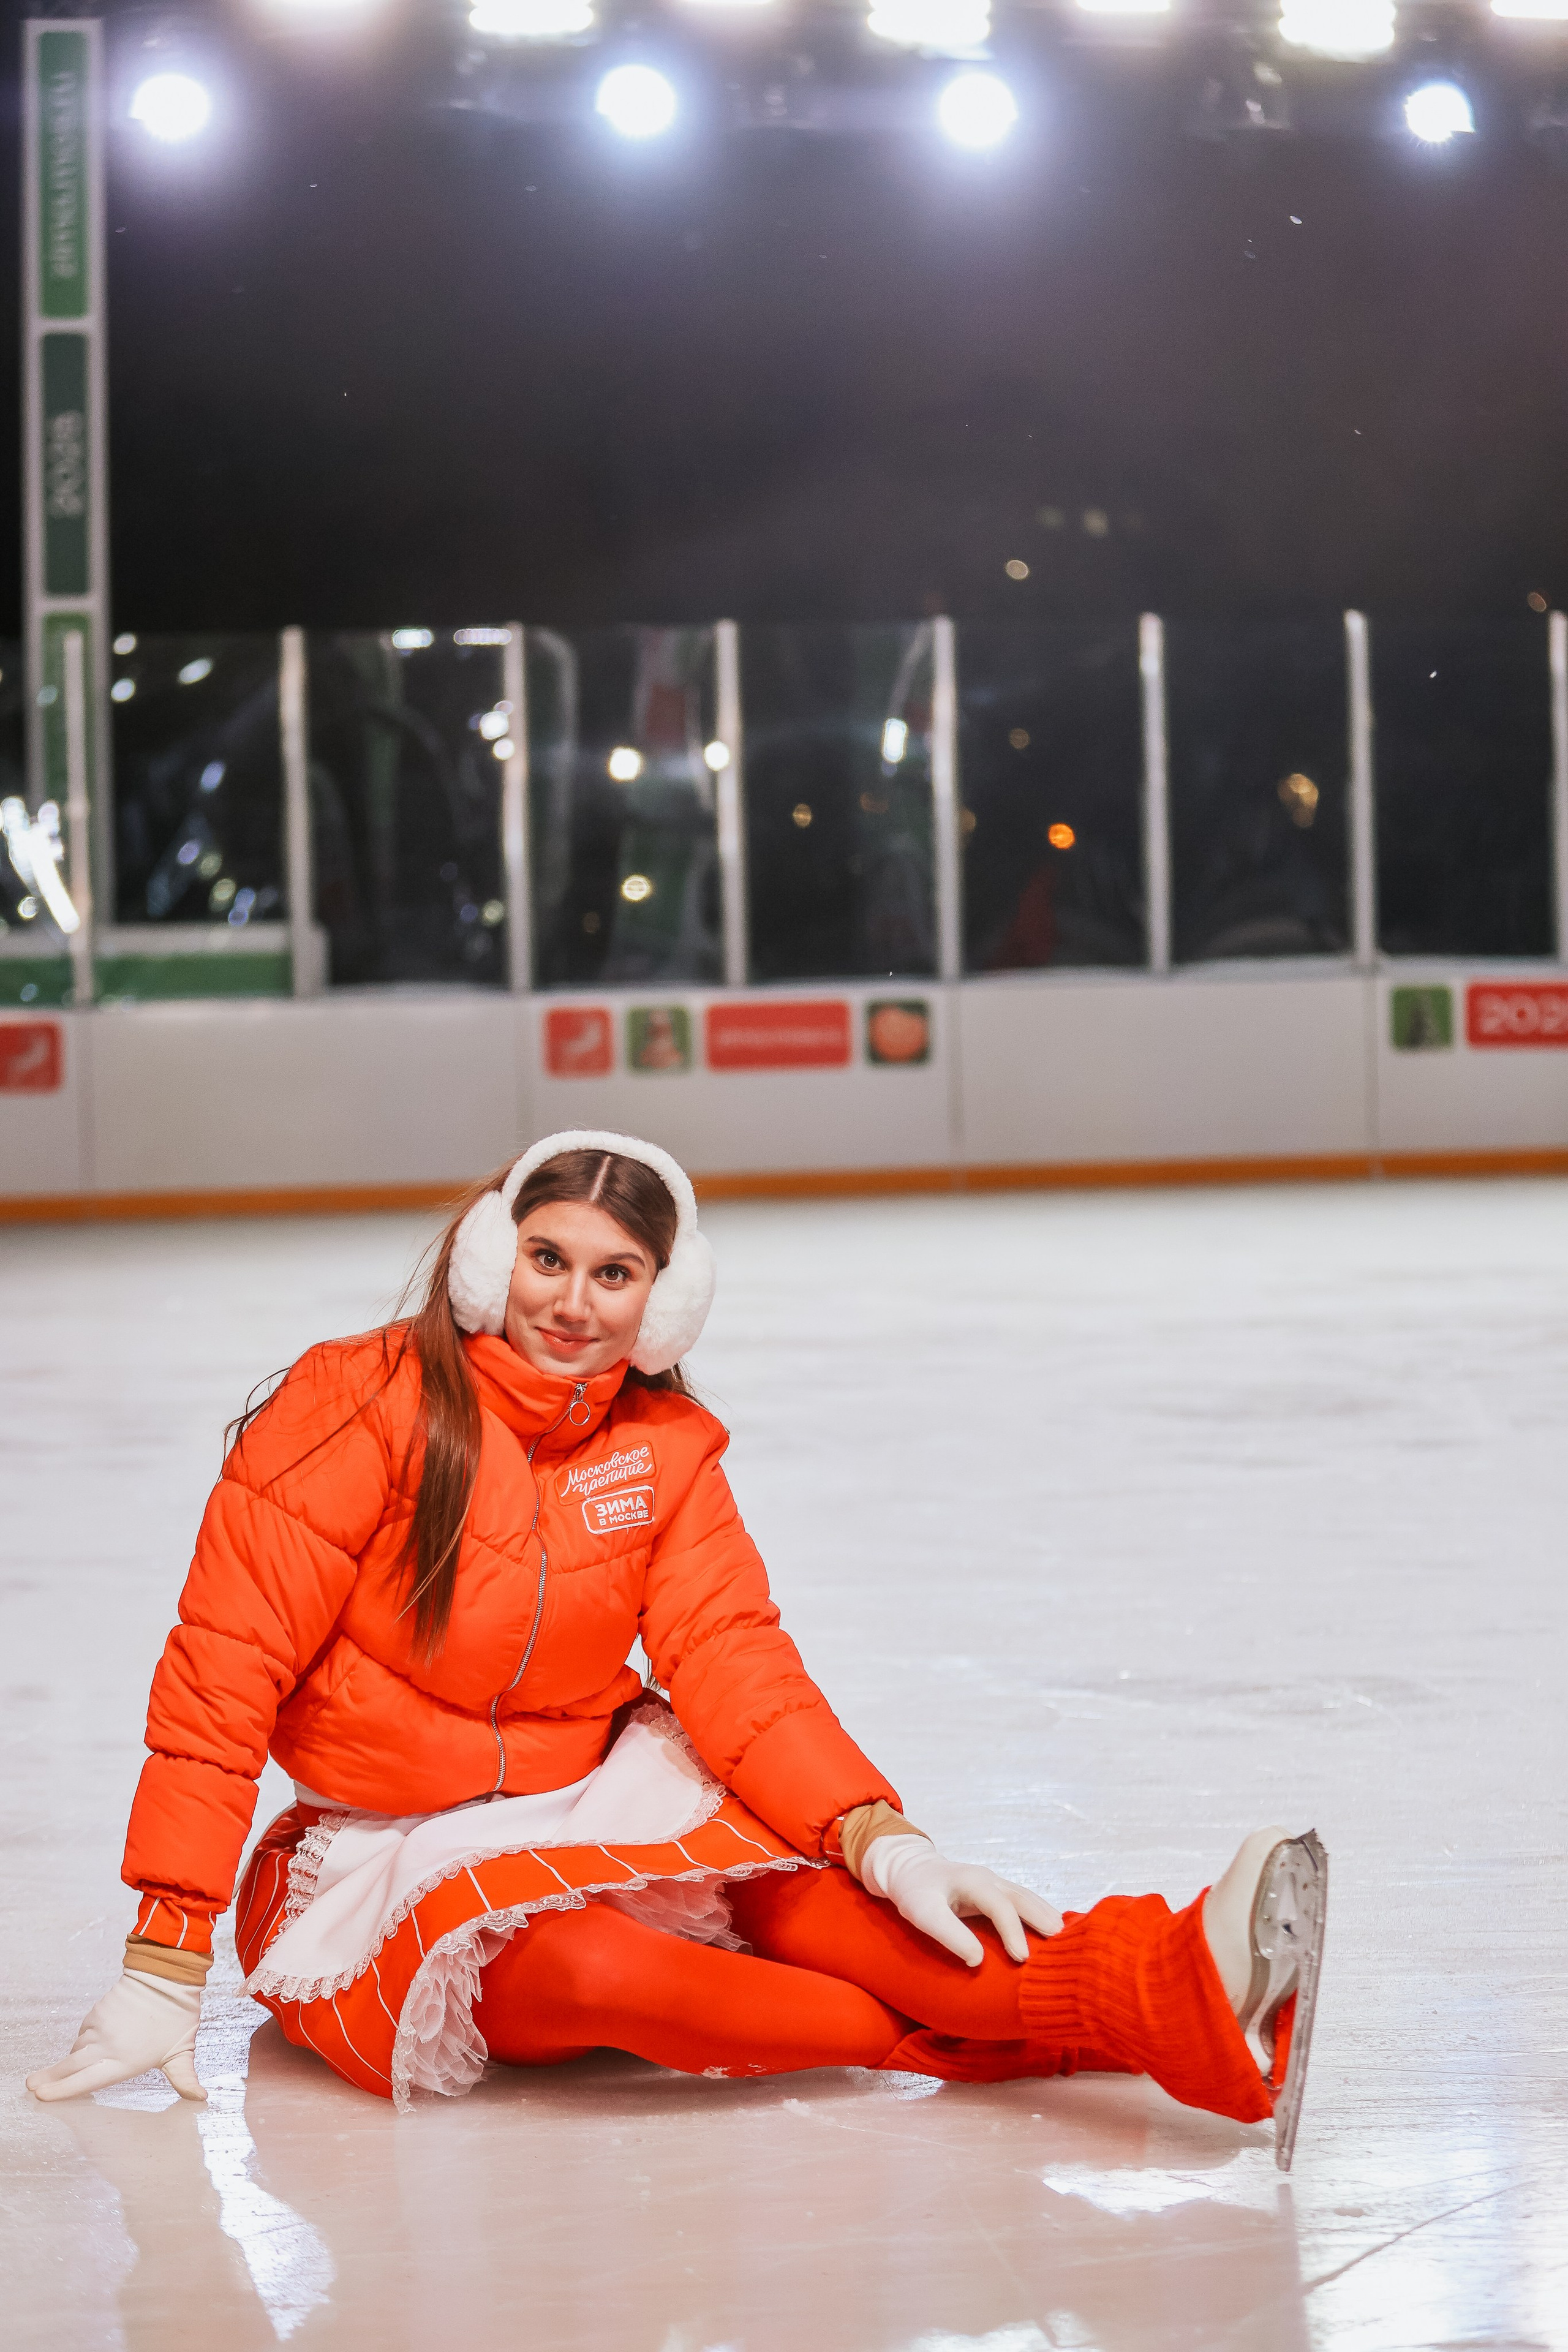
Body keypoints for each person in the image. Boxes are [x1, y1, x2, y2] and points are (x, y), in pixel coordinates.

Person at [26, 1130, 1328, 2168]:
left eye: (613, 1274)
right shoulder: (351, 1402)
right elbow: (221, 1671)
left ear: (662, 1299)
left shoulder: (661, 1451)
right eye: (546, 1258)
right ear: (487, 1258)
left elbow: (734, 1661)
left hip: (606, 1792)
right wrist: (165, 1951)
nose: (571, 1304)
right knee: (688, 1989)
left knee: (864, 1926)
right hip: (379, 1850)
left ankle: (1181, 1967)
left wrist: (882, 1837)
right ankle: (1150, 2018)